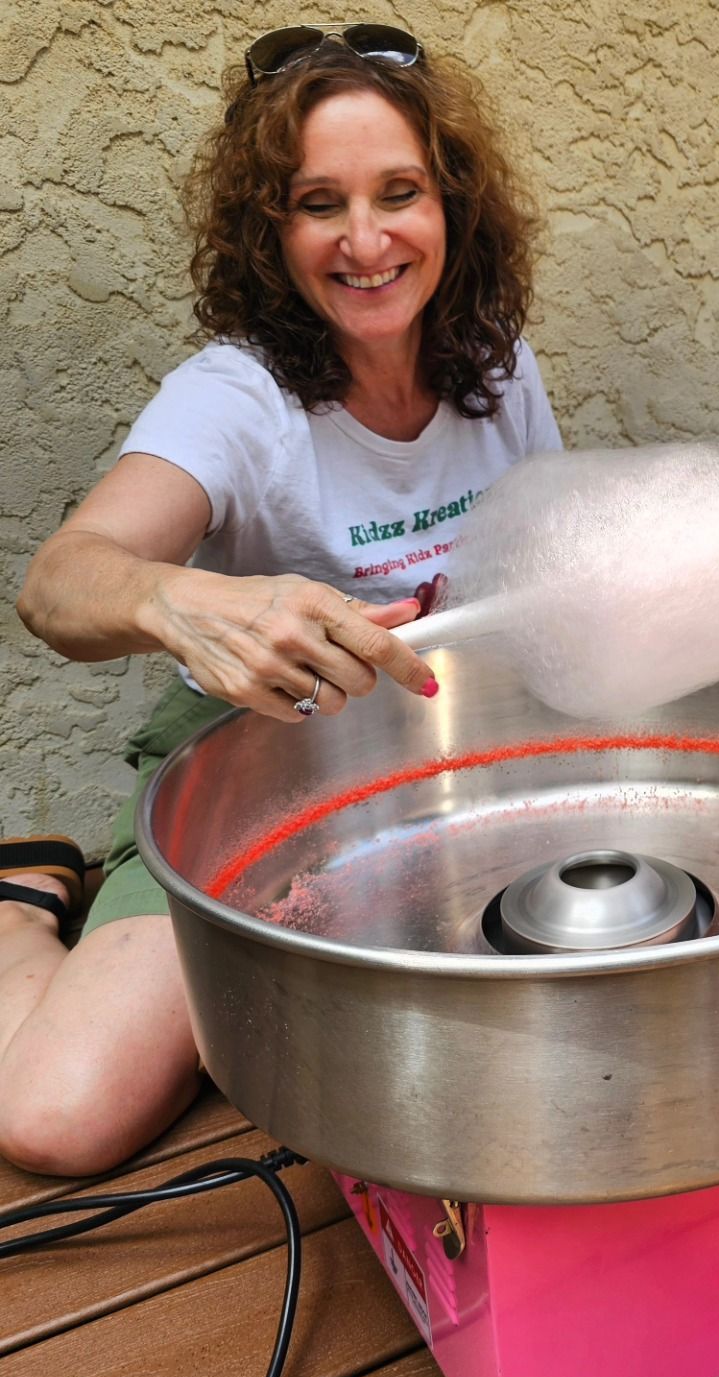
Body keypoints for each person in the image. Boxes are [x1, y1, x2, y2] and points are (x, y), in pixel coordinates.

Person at [1, 25, 563, 1175]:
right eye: (320, 203)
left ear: (452, 205)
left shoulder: (499, 366)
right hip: (256, 769)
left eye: (399, 192)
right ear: (273, 229)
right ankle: (19, 896)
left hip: (457, 751)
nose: (367, 240)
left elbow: (542, 570)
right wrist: (179, 603)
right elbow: (58, 586)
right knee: (58, 1118)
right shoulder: (234, 398)